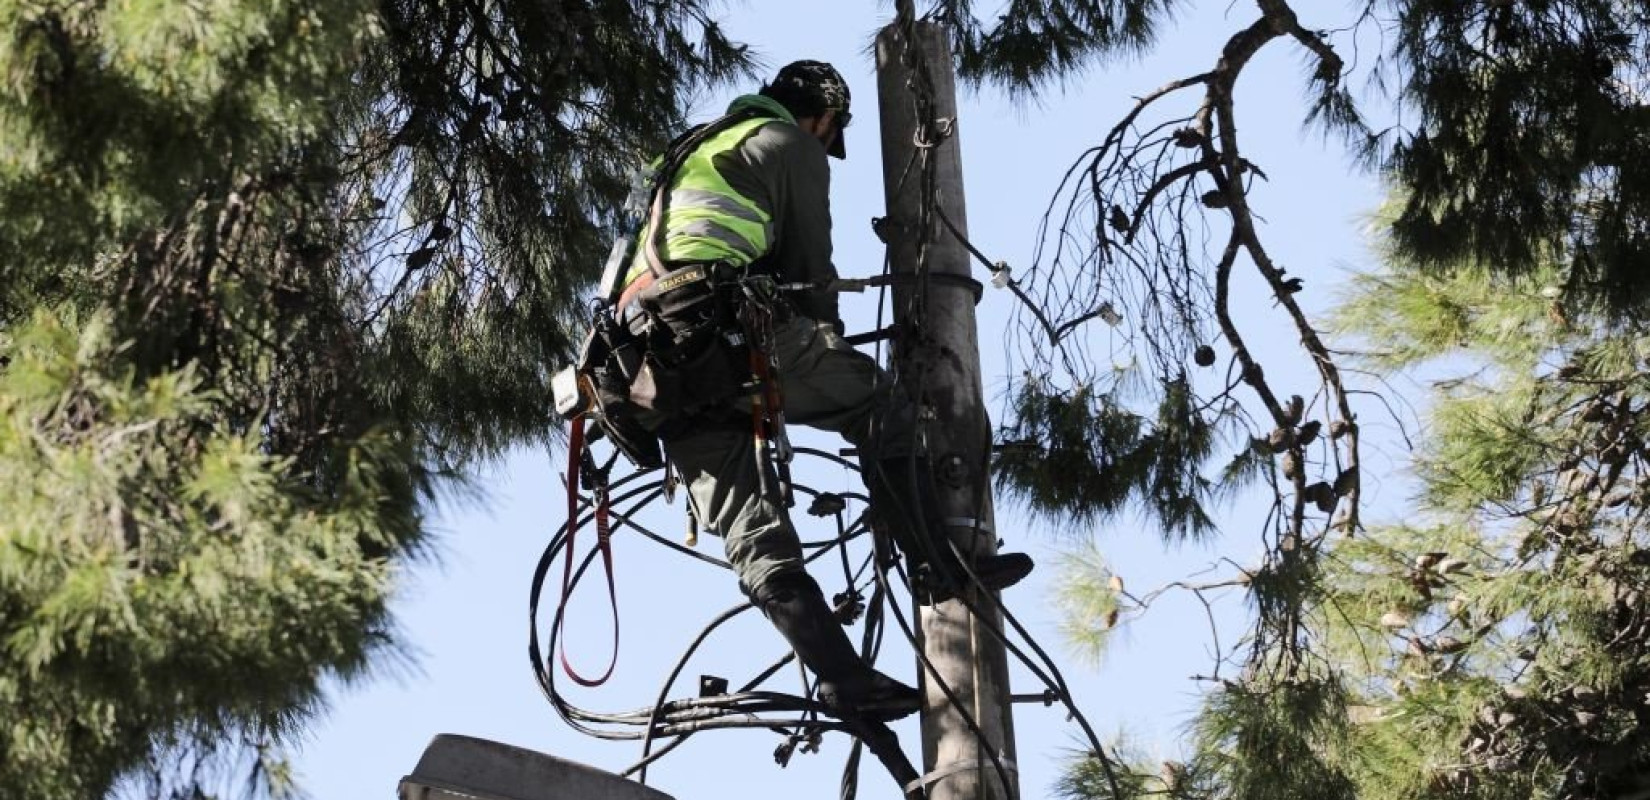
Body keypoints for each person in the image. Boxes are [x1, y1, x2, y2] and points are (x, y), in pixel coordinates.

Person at [612, 61, 1033, 720]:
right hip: (723, 330)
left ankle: (843, 680)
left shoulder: (693, 148)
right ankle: (938, 565)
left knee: (754, 538)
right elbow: (810, 267)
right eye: (828, 131)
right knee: (884, 405)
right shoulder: (786, 145)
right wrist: (827, 344)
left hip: (649, 370)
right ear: (822, 117)